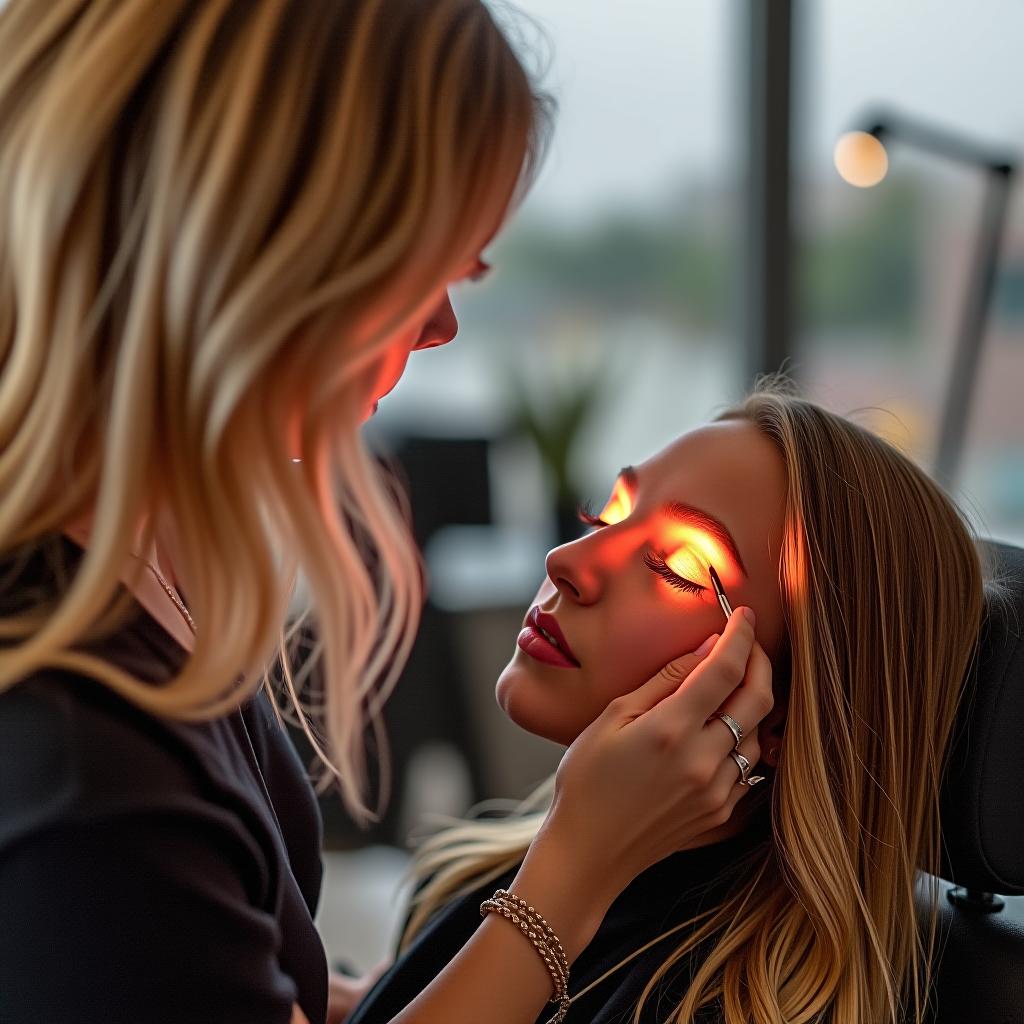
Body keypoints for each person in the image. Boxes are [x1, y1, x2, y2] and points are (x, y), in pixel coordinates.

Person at [0, 4, 774, 1024]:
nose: (445, 325)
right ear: (268, 238)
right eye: (431, 264)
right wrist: (568, 876)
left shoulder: (126, 569)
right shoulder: (77, 751)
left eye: (674, 563)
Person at [344, 380, 993, 1024]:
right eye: (610, 514)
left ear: (788, 712)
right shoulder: (472, 884)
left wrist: (564, 881)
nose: (568, 559)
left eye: (679, 567)